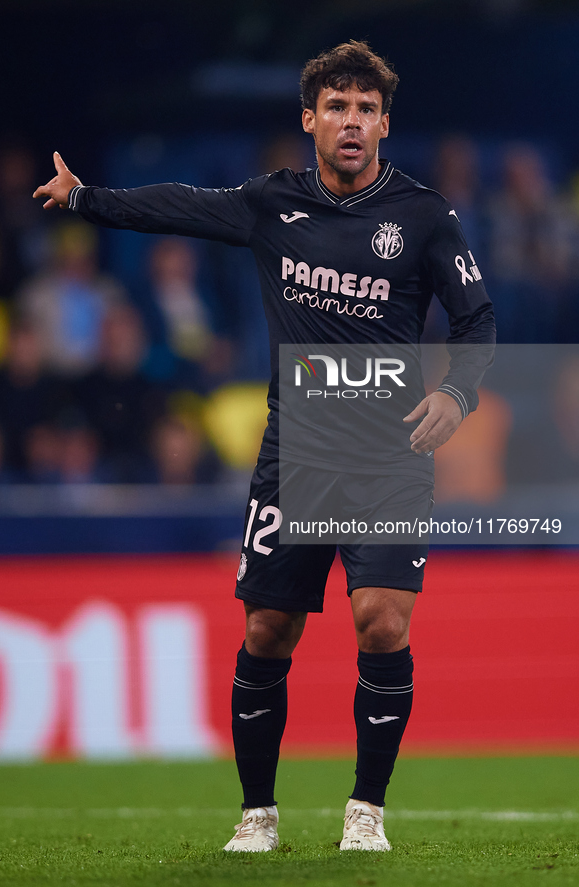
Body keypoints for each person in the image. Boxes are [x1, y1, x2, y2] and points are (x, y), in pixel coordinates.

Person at [34, 41, 495, 853]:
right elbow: (175, 205)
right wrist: (84, 199)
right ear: (309, 119)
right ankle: (257, 813)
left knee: (380, 622)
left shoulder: (424, 215)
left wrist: (455, 394)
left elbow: (477, 320)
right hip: (296, 457)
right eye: (336, 106)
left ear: (383, 123)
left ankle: (366, 811)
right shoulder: (268, 202)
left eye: (365, 108)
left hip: (388, 460)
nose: (351, 121)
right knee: (265, 634)